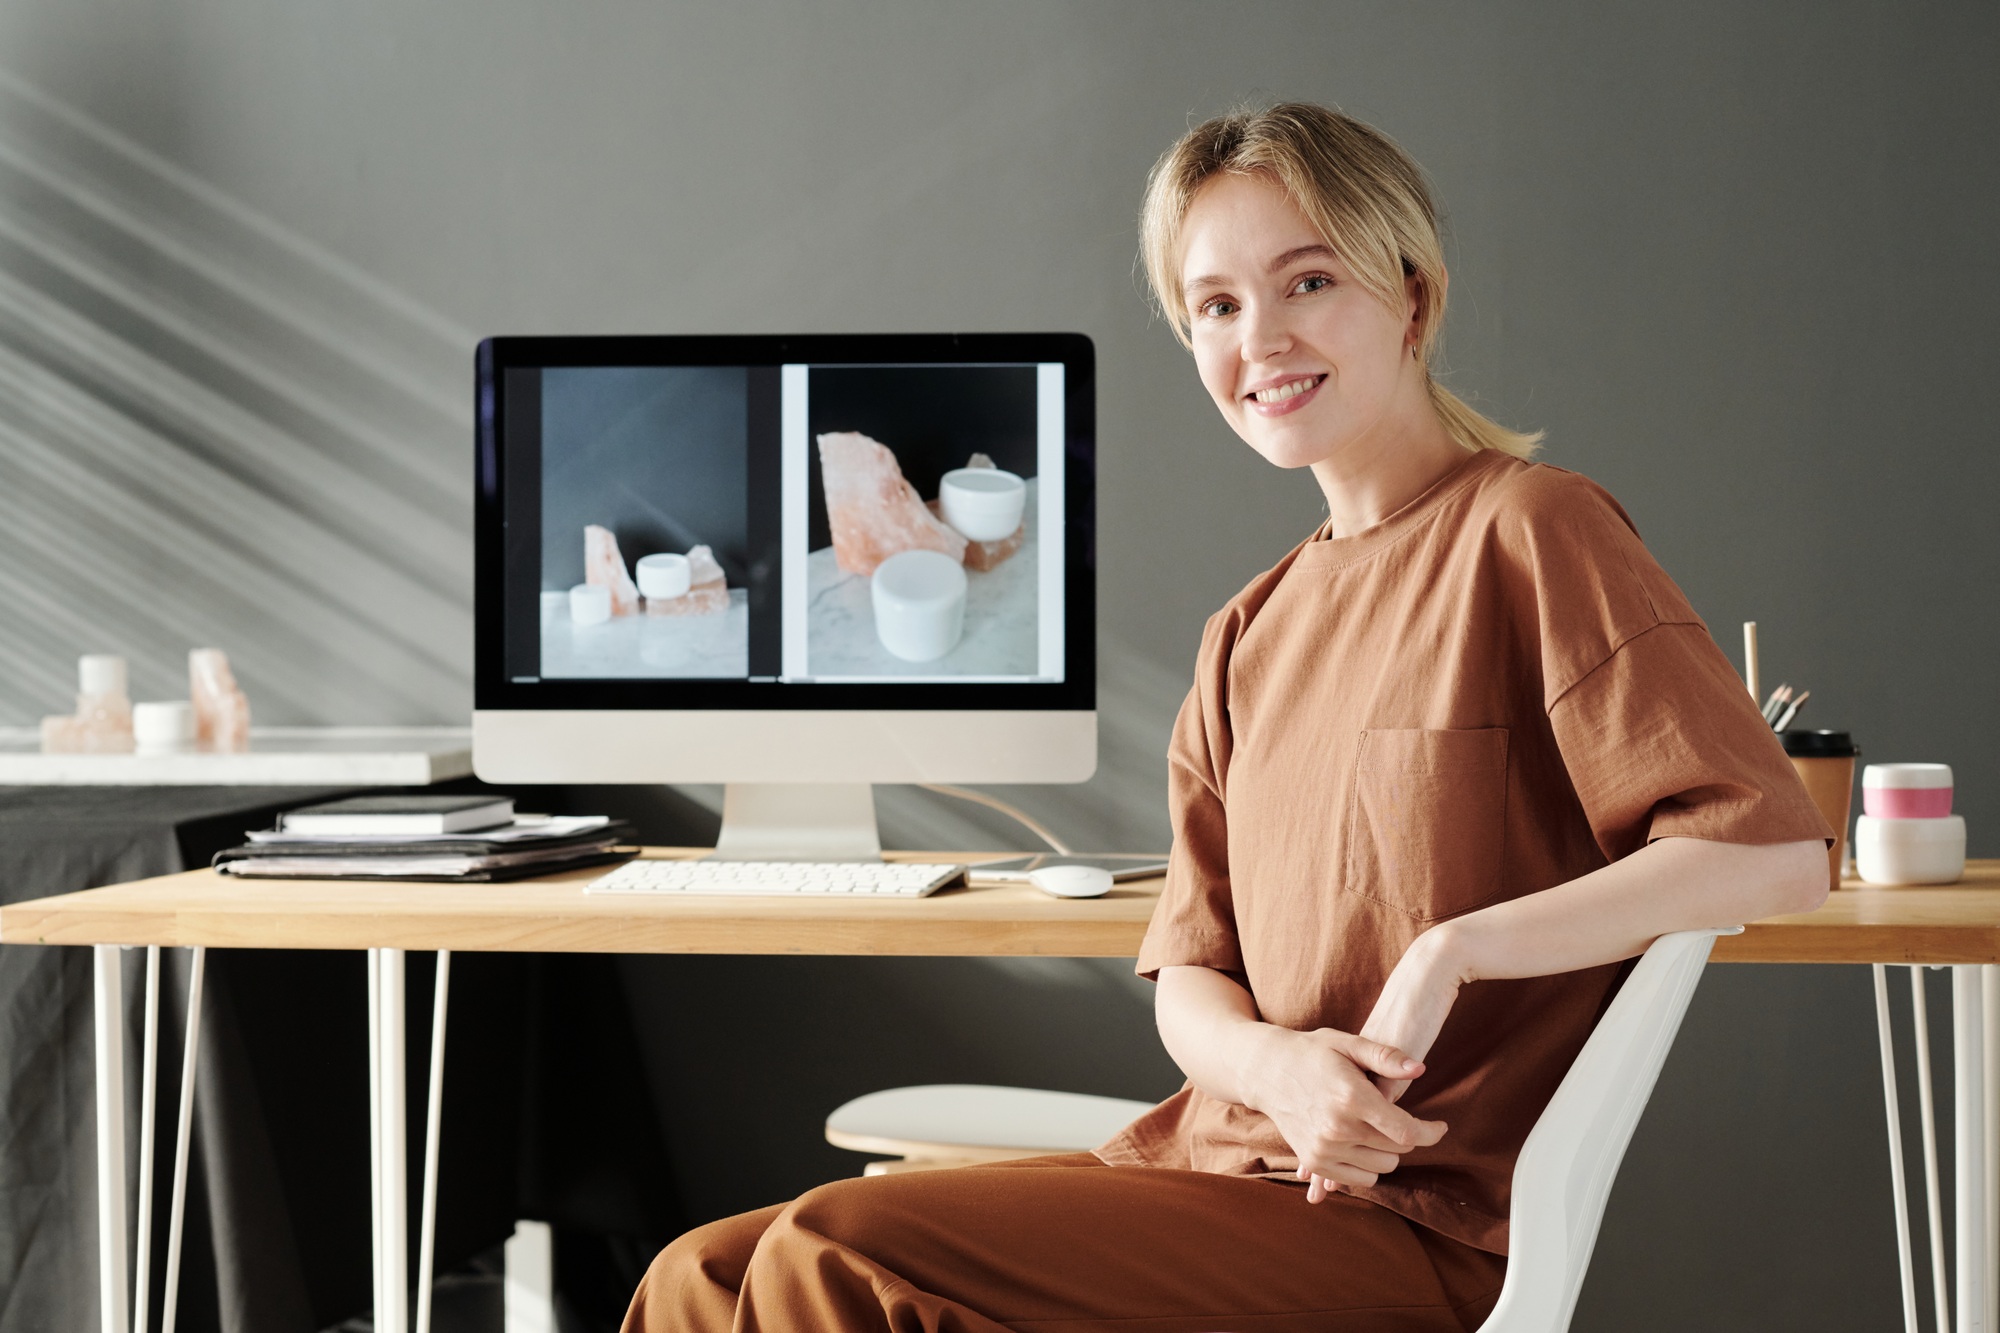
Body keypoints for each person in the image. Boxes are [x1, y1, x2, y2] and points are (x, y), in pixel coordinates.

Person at [621, 101, 1832, 1333]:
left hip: (1401, 1223)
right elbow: (1190, 976)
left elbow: (1771, 851)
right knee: (700, 1274)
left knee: (828, 1255)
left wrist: (1450, 948)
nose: (1261, 338)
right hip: (1209, 1172)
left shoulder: (1529, 533)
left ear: (1410, 298)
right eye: (1215, 304)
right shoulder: (1246, 633)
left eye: (1306, 280)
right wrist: (1280, 1069)